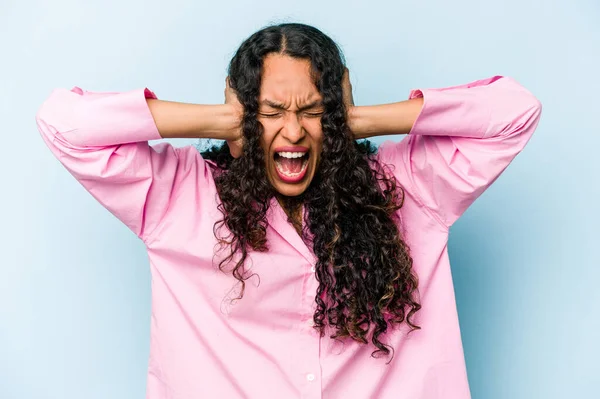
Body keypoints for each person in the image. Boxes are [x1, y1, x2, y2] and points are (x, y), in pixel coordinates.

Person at [36, 22, 541, 399]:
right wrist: (221, 119)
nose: (294, 132)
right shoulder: (179, 197)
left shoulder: (407, 188)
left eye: (313, 111)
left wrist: (357, 119)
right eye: (272, 112)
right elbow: (63, 125)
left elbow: (514, 113)